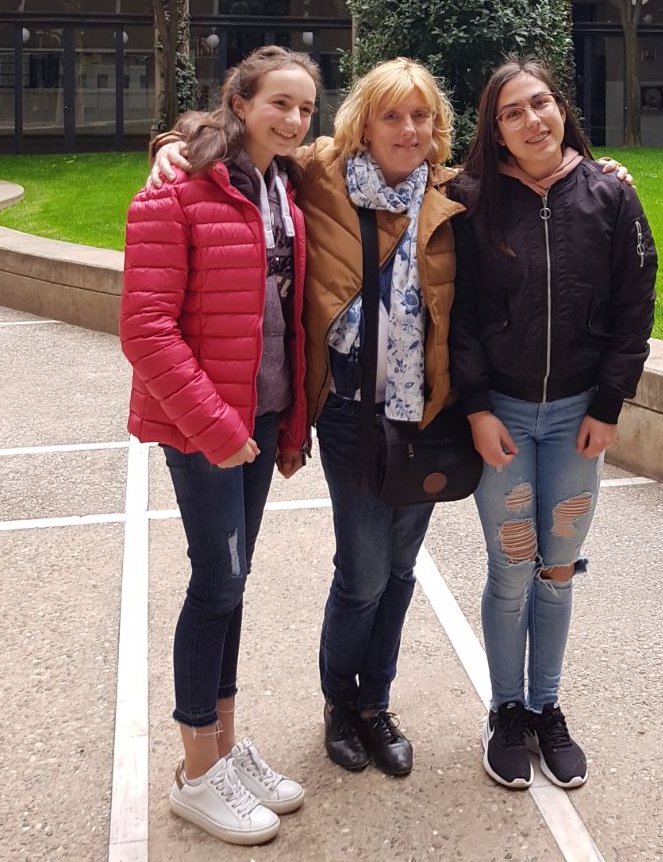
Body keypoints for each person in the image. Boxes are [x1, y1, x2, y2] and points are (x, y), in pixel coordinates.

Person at [150, 57, 464, 780]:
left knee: (401, 571)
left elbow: (538, 178)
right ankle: (337, 704)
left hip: (426, 414)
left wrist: (601, 170)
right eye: (391, 115)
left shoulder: (454, 191)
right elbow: (235, 143)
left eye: (420, 116)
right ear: (362, 124)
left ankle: (375, 703)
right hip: (350, 410)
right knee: (362, 573)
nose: (407, 130)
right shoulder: (320, 174)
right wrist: (172, 143)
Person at [120, 46, 319, 846]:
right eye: (279, 103)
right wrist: (217, 428)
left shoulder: (283, 183)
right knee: (216, 584)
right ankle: (197, 773)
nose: (294, 119)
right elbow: (145, 328)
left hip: (259, 417)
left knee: (232, 584)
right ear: (238, 102)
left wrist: (279, 424)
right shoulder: (176, 187)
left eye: (305, 108)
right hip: (208, 425)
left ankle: (223, 750)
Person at [450, 57, 657, 793]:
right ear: (496, 130)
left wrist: (609, 404)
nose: (532, 120)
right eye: (513, 112)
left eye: (541, 103)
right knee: (512, 567)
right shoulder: (470, 200)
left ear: (562, 108)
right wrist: (476, 408)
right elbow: (458, 315)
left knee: (558, 569)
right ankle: (506, 712)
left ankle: (546, 707)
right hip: (502, 416)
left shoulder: (610, 194)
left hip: (577, 418)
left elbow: (636, 305)